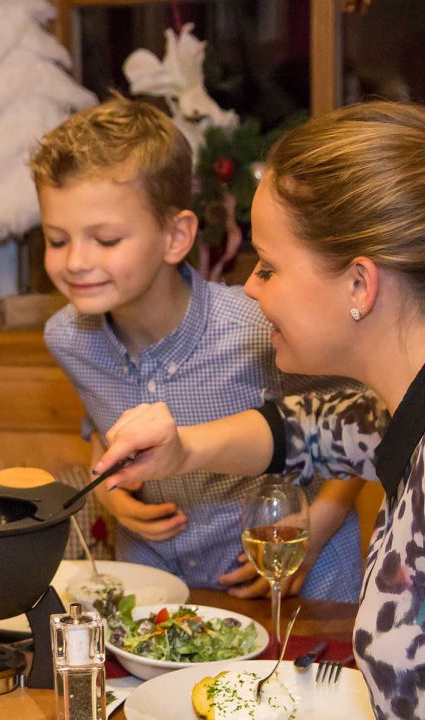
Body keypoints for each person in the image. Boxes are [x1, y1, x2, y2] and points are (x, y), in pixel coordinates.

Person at [94, 100, 425, 720]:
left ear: (359, 284)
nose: (250, 286)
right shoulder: (397, 408)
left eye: (269, 267)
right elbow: (307, 429)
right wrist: (182, 449)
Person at [30, 94, 364, 601]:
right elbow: (100, 423)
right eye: (57, 240)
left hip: (292, 577)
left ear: (176, 236)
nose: (75, 261)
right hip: (158, 581)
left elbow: (362, 421)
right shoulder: (68, 337)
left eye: (106, 240)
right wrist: (111, 495)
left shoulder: (256, 326)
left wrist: (319, 523)